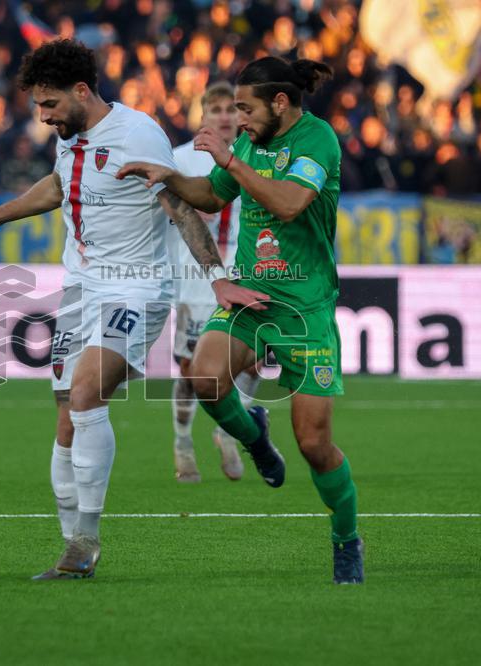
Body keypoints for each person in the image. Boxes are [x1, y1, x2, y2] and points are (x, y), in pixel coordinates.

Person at [0, 40, 262, 580]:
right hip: (79, 290)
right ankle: (70, 545)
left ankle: (86, 542)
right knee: (66, 419)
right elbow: (58, 186)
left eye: (49, 104)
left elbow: (180, 207)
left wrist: (216, 279)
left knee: (85, 392)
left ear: (81, 91)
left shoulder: (138, 133)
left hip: (136, 288)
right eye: (37, 105)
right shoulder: (68, 137)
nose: (43, 116)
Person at [118, 56, 364, 584]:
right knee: (204, 377)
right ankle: (255, 439)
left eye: (247, 109)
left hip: (305, 309)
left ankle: (346, 539)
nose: (239, 119)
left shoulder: (317, 140)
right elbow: (212, 195)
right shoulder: (252, 143)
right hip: (251, 297)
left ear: (281, 103)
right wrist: (170, 176)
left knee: (315, 445)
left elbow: (290, 203)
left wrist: (230, 160)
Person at [168, 81, 253, 484]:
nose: (224, 116)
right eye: (215, 109)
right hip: (196, 279)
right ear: (202, 116)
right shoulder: (180, 159)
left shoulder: (255, 156)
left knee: (255, 357)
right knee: (191, 370)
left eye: (231, 109)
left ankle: (229, 431)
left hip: (247, 272)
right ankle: (183, 441)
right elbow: (161, 209)